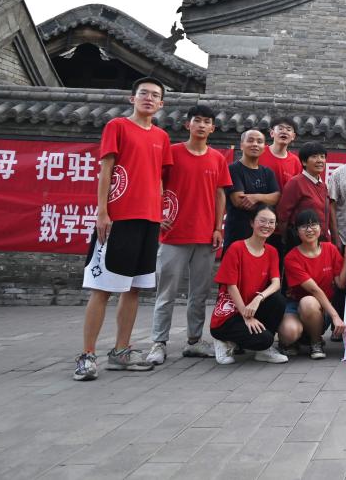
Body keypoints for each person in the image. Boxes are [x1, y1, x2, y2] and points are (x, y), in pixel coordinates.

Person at [75, 77, 173, 381]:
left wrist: (159, 211)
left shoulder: (162, 136)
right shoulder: (117, 126)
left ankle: (120, 351)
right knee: (103, 288)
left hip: (148, 221)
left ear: (161, 104)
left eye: (154, 95)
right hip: (119, 218)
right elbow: (106, 170)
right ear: (133, 98)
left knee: (133, 289)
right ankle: (87, 355)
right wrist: (102, 212)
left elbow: (158, 178)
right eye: (143, 93)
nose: (149, 98)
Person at [147, 104, 232, 366]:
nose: (202, 125)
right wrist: (156, 212)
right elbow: (154, 182)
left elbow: (220, 194)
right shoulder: (172, 153)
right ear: (188, 124)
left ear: (213, 128)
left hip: (205, 236)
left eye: (207, 122)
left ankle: (194, 341)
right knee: (166, 293)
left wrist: (217, 227)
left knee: (199, 293)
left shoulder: (217, 158)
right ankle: (158, 343)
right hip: (173, 234)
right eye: (197, 120)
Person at [210, 204, 288, 365]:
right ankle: (223, 340)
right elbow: (231, 286)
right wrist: (247, 317)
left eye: (271, 222)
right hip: (229, 315)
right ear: (252, 222)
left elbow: (276, 283)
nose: (267, 225)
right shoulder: (236, 248)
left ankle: (262, 351)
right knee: (265, 339)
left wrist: (259, 298)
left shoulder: (272, 251)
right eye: (262, 221)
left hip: (251, 307)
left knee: (278, 300)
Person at [279, 209, 346, 360]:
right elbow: (314, 290)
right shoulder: (291, 257)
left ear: (321, 228)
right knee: (289, 333)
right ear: (297, 231)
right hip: (296, 305)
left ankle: (315, 343)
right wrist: (336, 317)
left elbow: (340, 283)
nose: (309, 229)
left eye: (313, 224)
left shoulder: (330, 249)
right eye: (304, 226)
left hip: (322, 308)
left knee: (309, 303)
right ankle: (296, 341)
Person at [224, 130, 280, 251]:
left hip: (262, 234)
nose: (255, 144)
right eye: (250, 140)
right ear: (241, 145)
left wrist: (256, 198)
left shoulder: (268, 172)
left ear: (264, 148)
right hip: (238, 231)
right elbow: (239, 201)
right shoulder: (233, 169)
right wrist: (266, 203)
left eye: (259, 141)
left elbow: (276, 197)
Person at [276, 142, 331, 243]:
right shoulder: (295, 182)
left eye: (322, 157)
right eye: (314, 157)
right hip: (300, 242)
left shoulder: (323, 185)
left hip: (321, 242)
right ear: (304, 162)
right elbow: (283, 216)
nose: (320, 160)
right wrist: (285, 240)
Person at [259, 117, 303, 196]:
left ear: (293, 136)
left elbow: (296, 189)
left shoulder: (295, 162)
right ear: (272, 133)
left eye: (288, 129)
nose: (284, 132)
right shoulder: (259, 153)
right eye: (280, 128)